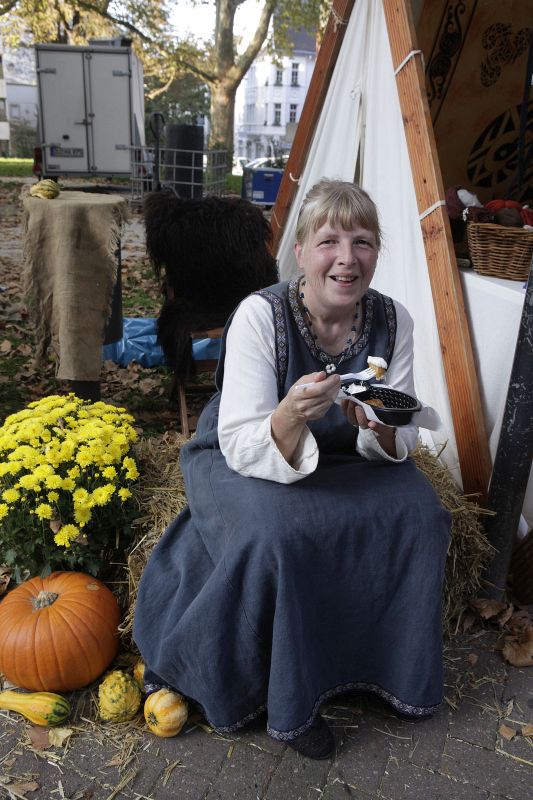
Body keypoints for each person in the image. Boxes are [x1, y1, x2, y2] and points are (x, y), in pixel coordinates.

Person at [133, 178, 452, 760]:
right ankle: (288, 698)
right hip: (249, 455)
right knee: (278, 531)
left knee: (421, 514)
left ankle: (384, 670)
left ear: (376, 252)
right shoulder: (261, 316)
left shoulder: (394, 321)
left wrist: (377, 424)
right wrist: (289, 414)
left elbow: (400, 431)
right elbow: (240, 439)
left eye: (362, 242)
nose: (347, 258)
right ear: (301, 252)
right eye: (329, 241)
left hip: (349, 455)